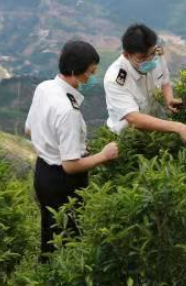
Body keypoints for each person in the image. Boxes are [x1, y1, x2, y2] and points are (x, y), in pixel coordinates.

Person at [25, 40, 119, 257]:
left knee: (50, 234)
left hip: (43, 172)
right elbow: (70, 165)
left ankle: (46, 279)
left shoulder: (44, 87)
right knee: (69, 241)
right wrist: (104, 155)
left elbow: (30, 129)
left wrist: (55, 144)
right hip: (63, 182)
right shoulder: (68, 111)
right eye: (90, 72)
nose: (92, 77)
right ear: (76, 71)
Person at [103, 23, 186, 145]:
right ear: (127, 55)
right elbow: (133, 118)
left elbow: (165, 81)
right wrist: (180, 127)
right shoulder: (115, 79)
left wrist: (169, 99)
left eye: (151, 54)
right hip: (129, 138)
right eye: (142, 58)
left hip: (157, 131)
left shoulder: (157, 54)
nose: (150, 60)